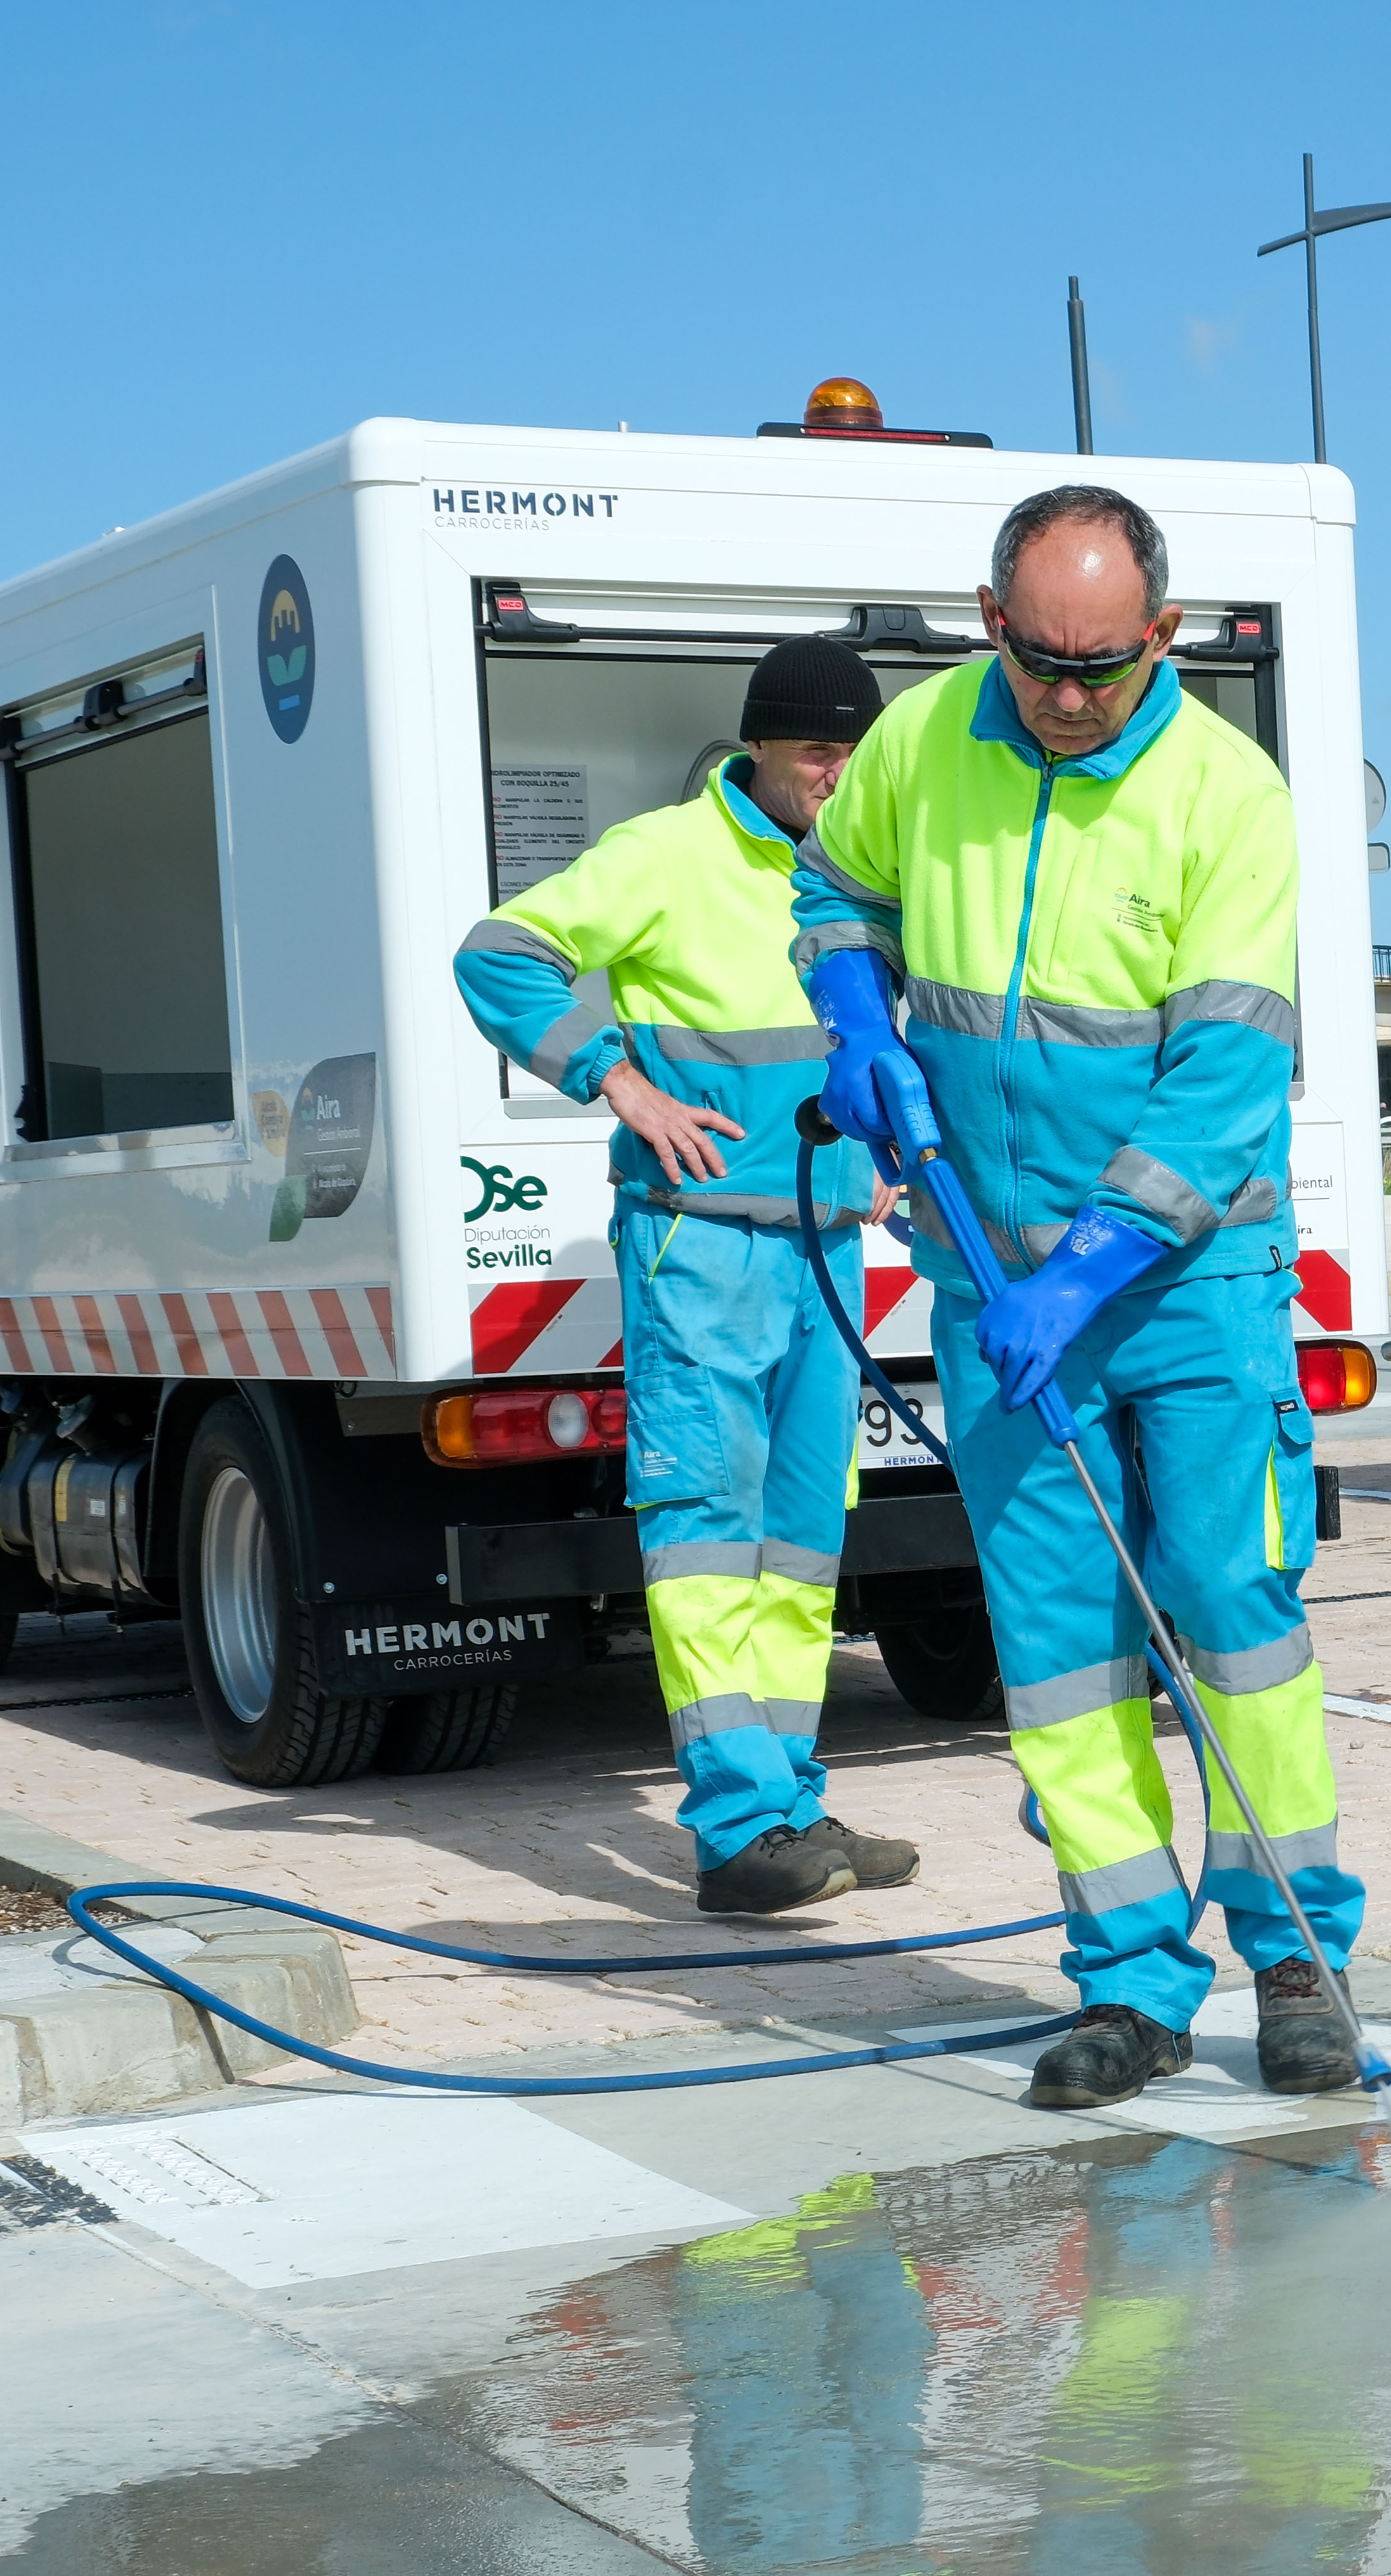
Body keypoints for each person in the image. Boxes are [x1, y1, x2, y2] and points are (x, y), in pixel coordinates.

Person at [795, 485, 1361, 2109]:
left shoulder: (1224, 796)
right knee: (1059, 1649)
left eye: (1101, 667)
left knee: (1233, 1614)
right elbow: (835, 888)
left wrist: (1094, 1266)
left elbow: (1224, 1086)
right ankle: (1128, 1982)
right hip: (991, 1277)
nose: (1067, 696)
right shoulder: (922, 742)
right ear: (992, 624)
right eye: (1040, 660)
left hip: (1187, 1283)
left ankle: (1300, 1962)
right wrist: (855, 1009)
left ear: (1162, 638)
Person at [456, 638, 919, 1918]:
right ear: (759, 743)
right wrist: (619, 1078)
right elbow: (497, 955)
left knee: (798, 1545)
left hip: (827, 1246)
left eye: (853, 747)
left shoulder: (868, 866)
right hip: (699, 1242)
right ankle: (732, 1828)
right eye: (816, 746)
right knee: (709, 1533)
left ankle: (787, 1803)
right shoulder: (666, 855)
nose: (837, 769)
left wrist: (878, 1163)